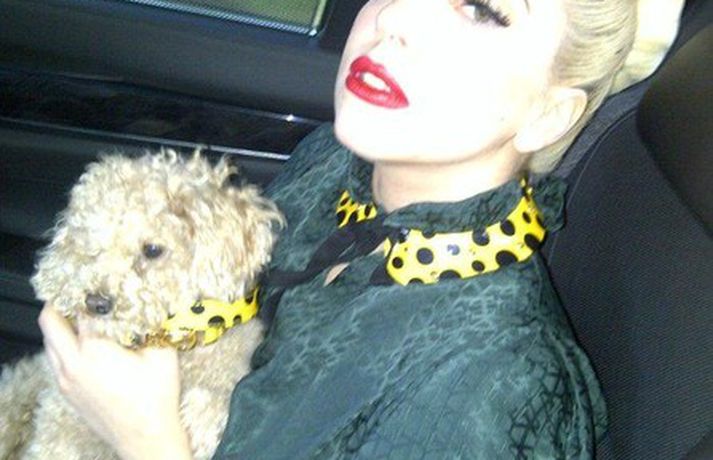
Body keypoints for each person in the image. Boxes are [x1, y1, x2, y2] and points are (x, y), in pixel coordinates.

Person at [38, 0, 640, 458]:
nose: (395, 17)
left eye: (483, 9)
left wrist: (148, 440)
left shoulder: (494, 387)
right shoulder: (331, 163)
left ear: (548, 115)